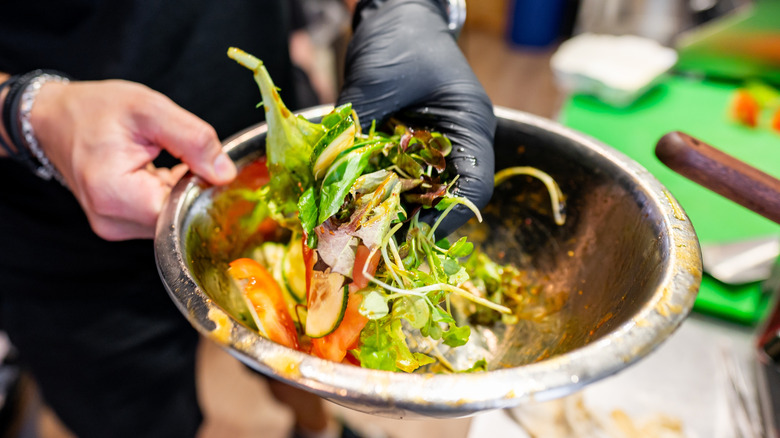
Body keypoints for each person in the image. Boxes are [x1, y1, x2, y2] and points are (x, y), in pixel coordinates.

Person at [0, 1, 496, 437]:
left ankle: (315, 431)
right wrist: (28, 113)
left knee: (301, 355)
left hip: (272, 169)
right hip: (56, 235)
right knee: (134, 417)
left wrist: (404, 5)